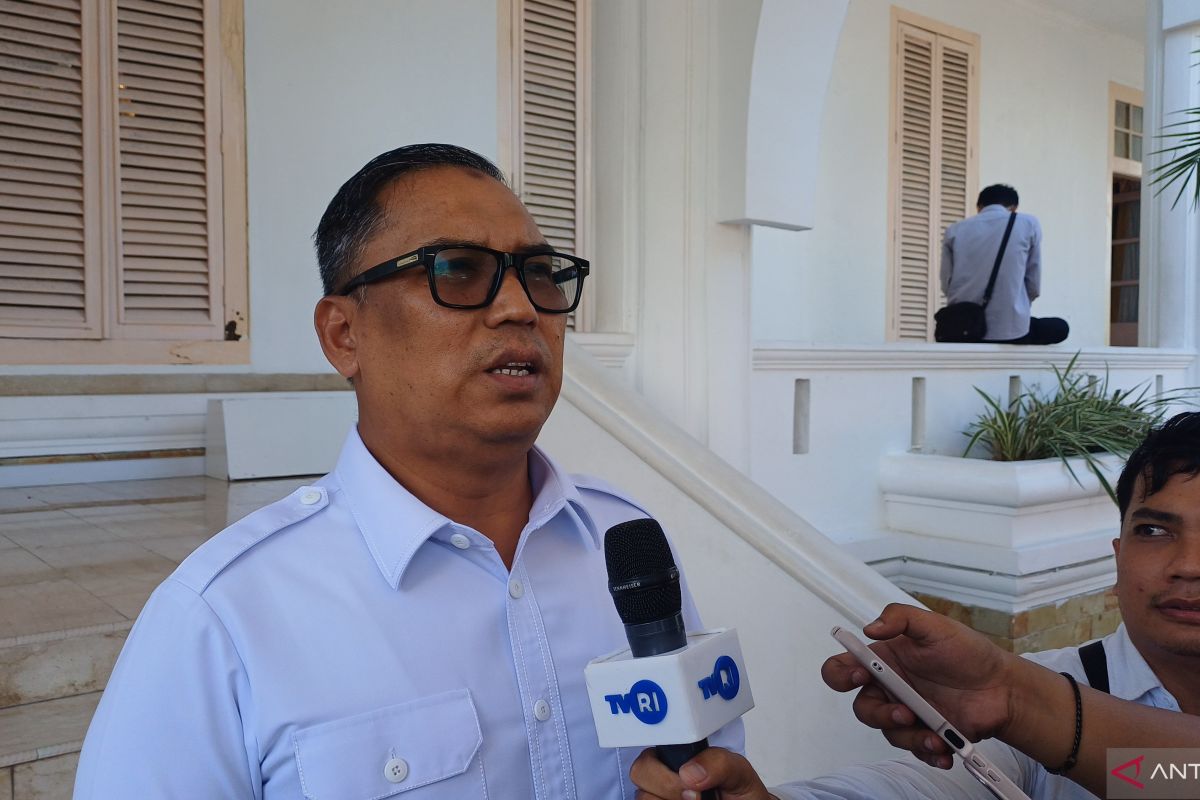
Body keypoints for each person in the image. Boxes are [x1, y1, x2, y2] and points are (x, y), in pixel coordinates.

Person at [73, 143, 741, 798]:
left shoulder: (626, 548)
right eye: (457, 269)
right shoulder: (223, 620)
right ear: (344, 335)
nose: (520, 308)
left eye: (539, 273)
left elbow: (711, 757)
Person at [631, 411, 1200, 800]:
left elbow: (1181, 776)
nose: (1189, 565)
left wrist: (1020, 700)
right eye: (1155, 530)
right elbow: (925, 785)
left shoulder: (1033, 696)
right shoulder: (1060, 684)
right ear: (1118, 554)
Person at [940, 184, 1068, 345]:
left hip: (961, 329)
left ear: (979, 207)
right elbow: (1033, 284)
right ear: (1014, 208)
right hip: (1011, 331)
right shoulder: (1028, 223)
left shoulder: (954, 230)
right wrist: (1016, 307)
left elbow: (946, 284)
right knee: (1060, 327)